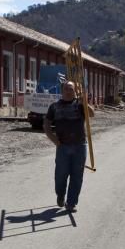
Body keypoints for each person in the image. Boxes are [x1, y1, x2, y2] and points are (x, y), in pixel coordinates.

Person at [44, 81, 95, 212]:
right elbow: (47, 125)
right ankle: (60, 195)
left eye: (71, 89)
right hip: (63, 147)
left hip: (80, 145)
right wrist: (54, 139)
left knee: (77, 176)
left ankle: (71, 203)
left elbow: (92, 114)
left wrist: (84, 101)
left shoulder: (79, 105)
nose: (69, 91)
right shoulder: (54, 107)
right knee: (61, 175)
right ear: (62, 91)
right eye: (66, 89)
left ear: (74, 91)